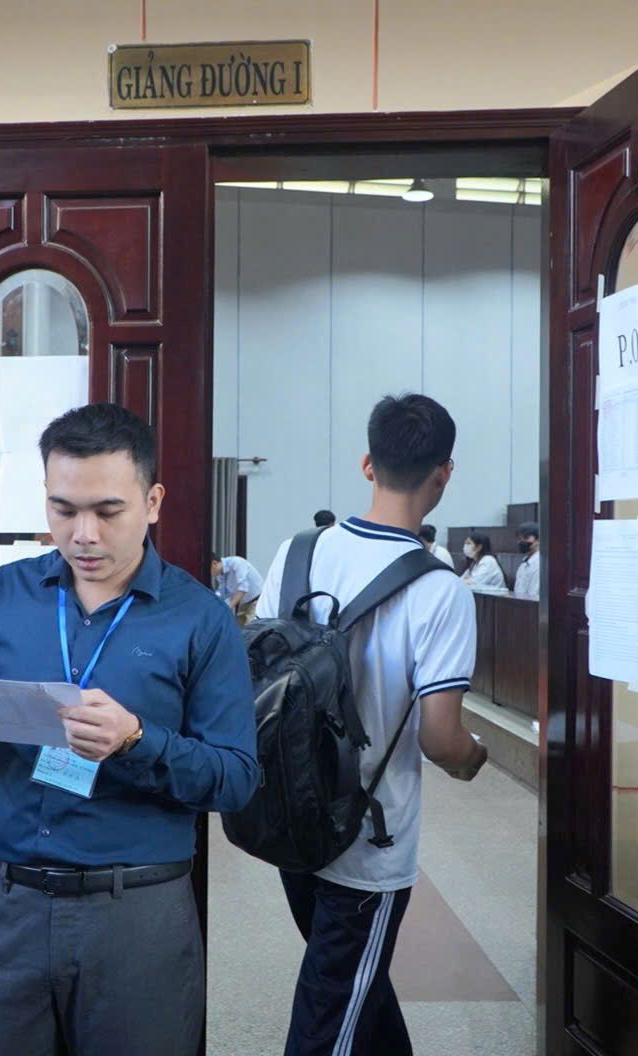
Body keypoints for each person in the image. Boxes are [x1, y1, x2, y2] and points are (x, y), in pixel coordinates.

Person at [0, 403, 258, 1056]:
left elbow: (236, 780)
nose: (82, 535)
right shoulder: (5, 597)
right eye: (62, 510)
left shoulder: (198, 620)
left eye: (107, 511)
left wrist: (137, 741)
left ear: (152, 501)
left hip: (136, 911)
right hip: (11, 905)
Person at [257, 394, 489, 1056]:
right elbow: (440, 739)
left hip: (290, 814)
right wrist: (473, 757)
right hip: (367, 839)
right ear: (443, 473)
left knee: (355, 985)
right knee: (333, 1011)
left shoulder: (298, 553)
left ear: (366, 463)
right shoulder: (439, 589)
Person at [210, 552, 264, 624]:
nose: (210, 574)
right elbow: (223, 593)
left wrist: (228, 607)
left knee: (251, 630)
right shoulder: (220, 575)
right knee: (239, 630)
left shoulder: (236, 563)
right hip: (243, 604)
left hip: (256, 601)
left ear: (214, 563)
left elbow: (243, 588)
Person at [513, 520, 541, 600]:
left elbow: (534, 594)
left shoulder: (539, 563)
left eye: (525, 538)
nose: (521, 542)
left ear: (538, 540)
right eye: (519, 539)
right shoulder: (524, 563)